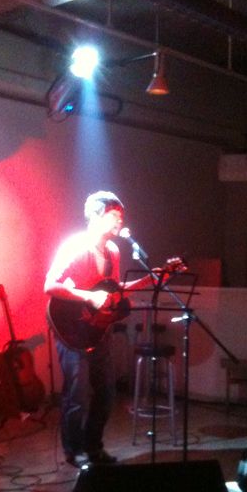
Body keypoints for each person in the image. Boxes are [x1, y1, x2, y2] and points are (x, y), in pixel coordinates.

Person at [44, 190, 156, 468]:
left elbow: (112, 289)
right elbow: (50, 285)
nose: (120, 220)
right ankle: (73, 451)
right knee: (78, 395)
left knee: (106, 393)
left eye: (121, 215)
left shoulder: (113, 252)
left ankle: (93, 447)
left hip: (98, 328)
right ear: (95, 216)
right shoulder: (75, 247)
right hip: (71, 328)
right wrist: (89, 297)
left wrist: (149, 280)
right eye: (114, 214)